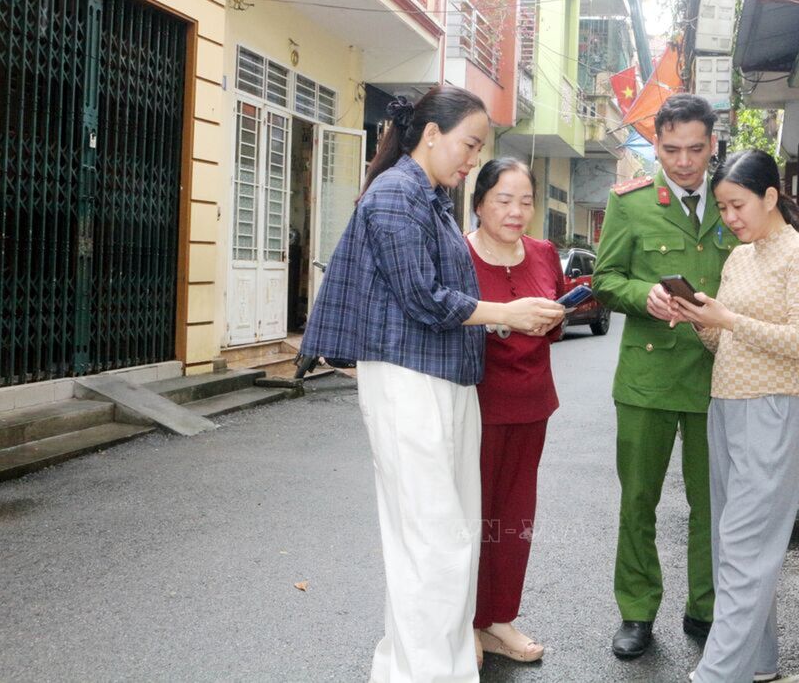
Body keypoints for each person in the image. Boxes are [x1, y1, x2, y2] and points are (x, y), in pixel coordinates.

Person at [300, 86, 565, 683]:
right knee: (432, 543)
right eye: (469, 144)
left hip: (441, 379)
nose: (472, 158)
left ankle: (427, 670)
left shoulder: (428, 197)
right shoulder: (397, 195)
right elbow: (421, 296)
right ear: (431, 135)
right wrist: (507, 313)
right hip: (409, 382)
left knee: (446, 541)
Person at [664, 149, 799, 682]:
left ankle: (717, 674)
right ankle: (759, 663)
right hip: (727, 408)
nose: (730, 217)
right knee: (732, 543)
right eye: (722, 207)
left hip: (772, 410)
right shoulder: (740, 258)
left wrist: (730, 318)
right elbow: (725, 344)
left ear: (770, 196)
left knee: (743, 545)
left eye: (738, 205)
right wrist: (699, 318)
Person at [591, 93, 741, 659]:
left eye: (695, 149)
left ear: (712, 145)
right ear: (656, 145)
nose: (683, 162)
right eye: (671, 149)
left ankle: (704, 609)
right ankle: (635, 611)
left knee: (712, 505)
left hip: (716, 376)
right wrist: (643, 295)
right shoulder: (631, 202)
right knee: (639, 500)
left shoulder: (730, 202)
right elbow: (604, 280)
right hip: (647, 378)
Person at [464, 158, 565, 666]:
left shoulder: (545, 253)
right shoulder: (457, 254)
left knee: (513, 517)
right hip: (474, 405)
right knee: (469, 516)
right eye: (503, 199)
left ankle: (499, 617)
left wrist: (555, 316)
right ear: (479, 202)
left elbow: (557, 316)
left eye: (525, 200)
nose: (516, 210)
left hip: (531, 403)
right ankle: (463, 622)